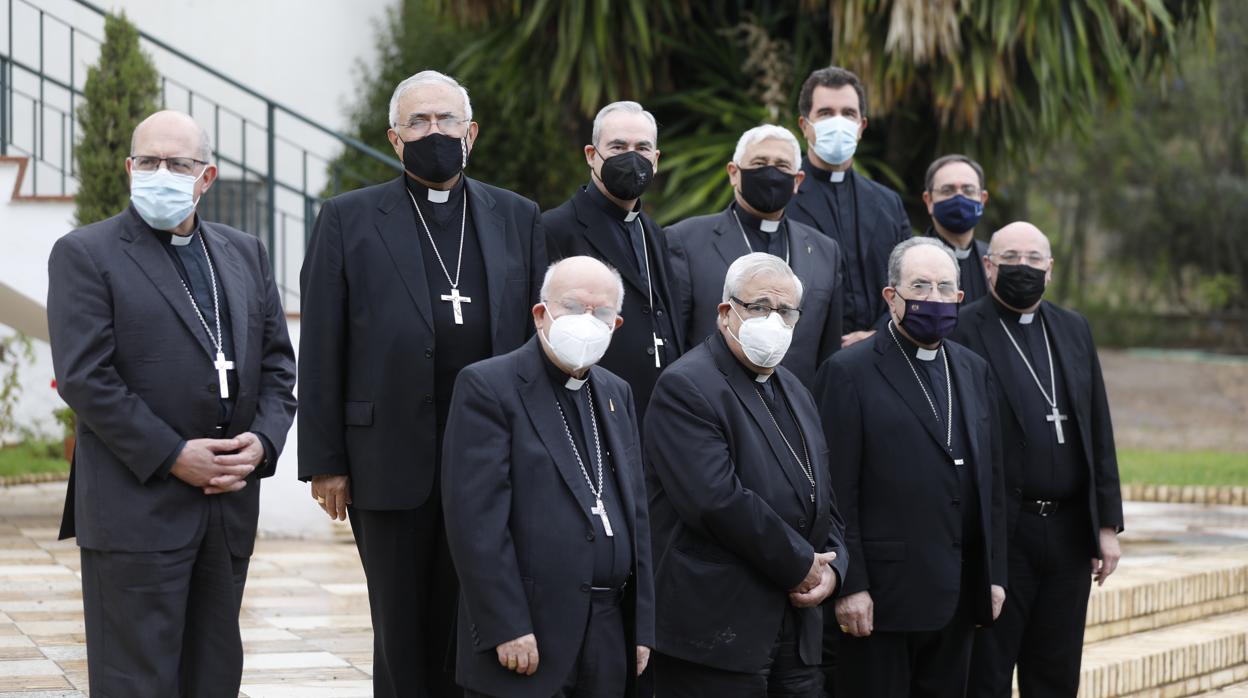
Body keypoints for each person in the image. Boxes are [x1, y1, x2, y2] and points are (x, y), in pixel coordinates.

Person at [297, 70, 546, 697]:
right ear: (394, 137)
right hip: (388, 460)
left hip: (493, 459)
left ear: (472, 133)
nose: (433, 132)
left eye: (446, 121)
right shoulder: (348, 219)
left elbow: (537, 339)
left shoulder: (518, 217)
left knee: (482, 615)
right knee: (402, 629)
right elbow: (323, 343)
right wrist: (325, 461)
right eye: (419, 122)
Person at [46, 110, 297, 696]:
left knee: (213, 676)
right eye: (149, 162)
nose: (161, 173)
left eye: (177, 163)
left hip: (227, 510)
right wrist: (172, 454)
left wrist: (261, 444)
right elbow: (86, 377)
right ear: (129, 169)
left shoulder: (245, 254)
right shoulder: (86, 253)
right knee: (137, 680)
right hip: (137, 509)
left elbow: (279, 365)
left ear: (205, 177)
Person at [442, 256, 655, 697]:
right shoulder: (489, 386)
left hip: (609, 627)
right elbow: (475, 522)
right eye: (574, 307)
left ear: (615, 326)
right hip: (529, 631)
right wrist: (506, 624)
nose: (586, 322)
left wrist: (642, 625)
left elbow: (638, 515)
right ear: (542, 314)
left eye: (600, 314)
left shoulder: (617, 393)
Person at [645, 253, 847, 696]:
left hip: (797, 630)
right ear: (725, 312)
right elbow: (716, 501)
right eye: (758, 307)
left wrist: (835, 569)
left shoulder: (794, 388)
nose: (772, 320)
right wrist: (802, 566)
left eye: (785, 311)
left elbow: (824, 495)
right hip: (718, 631)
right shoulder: (687, 385)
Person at [814, 237, 1006, 697]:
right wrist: (850, 585)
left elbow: (990, 480)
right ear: (891, 296)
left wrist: (993, 575)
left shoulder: (973, 369)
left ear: (960, 299)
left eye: (945, 288)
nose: (933, 298)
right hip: (882, 598)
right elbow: (835, 491)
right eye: (920, 286)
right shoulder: (848, 372)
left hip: (957, 595)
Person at [953, 222, 1124, 697]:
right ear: (988, 267)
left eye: (1033, 259)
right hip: (1005, 532)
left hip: (1068, 534)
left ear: (1049, 269)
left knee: (1056, 670)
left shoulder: (1072, 327)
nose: (1021, 268)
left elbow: (1097, 426)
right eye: (1010, 257)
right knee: (986, 670)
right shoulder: (963, 327)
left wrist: (1106, 525)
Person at [666, 124, 844, 384]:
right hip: (712, 403)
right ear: (734, 173)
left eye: (782, 166)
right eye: (760, 162)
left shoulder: (825, 250)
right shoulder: (686, 240)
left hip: (793, 408)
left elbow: (828, 355)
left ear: (797, 181)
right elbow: (673, 340)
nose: (771, 173)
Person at [543, 101, 682, 420]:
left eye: (642, 148)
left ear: (656, 160)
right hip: (592, 409)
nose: (632, 157)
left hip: (660, 411)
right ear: (592, 155)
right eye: (618, 146)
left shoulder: (654, 232)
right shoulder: (556, 228)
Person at [788, 66, 911, 348]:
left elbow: (908, 277)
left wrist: (881, 332)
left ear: (861, 127)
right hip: (810, 360)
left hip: (884, 350)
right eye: (825, 113)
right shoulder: (784, 199)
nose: (838, 122)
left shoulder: (887, 203)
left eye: (848, 113)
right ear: (805, 125)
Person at [921, 154, 991, 304]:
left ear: (982, 199)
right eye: (948, 190)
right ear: (929, 201)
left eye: (968, 190)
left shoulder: (995, 260)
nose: (959, 197)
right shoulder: (908, 260)